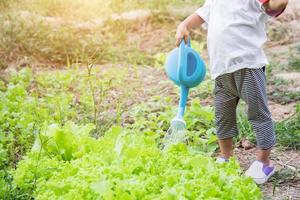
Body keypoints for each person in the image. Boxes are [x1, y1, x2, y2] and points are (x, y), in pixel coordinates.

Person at [175, 0, 288, 184]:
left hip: (247, 64)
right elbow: (202, 14)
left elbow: (274, 5)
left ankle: (264, 162)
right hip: (221, 69)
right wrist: (184, 25)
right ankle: (226, 157)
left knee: (258, 113)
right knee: (222, 115)